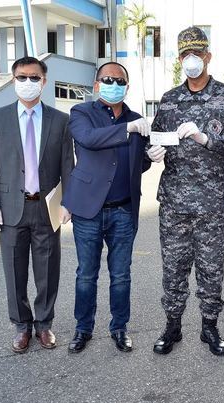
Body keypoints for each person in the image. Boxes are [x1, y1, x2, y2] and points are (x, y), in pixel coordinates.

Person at [148, 26, 224, 356]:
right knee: (174, 267)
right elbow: (155, 138)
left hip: (213, 203)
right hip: (175, 202)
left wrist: (207, 139)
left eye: (196, 53)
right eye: (184, 54)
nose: (191, 59)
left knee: (211, 267)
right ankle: (173, 326)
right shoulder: (169, 100)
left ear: (207, 56)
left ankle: (209, 326)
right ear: (179, 59)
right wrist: (151, 152)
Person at [0, 56, 74, 353]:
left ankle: (44, 325)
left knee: (48, 270)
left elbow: (67, 166)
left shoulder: (60, 120)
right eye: (22, 77)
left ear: (44, 82)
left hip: (46, 207)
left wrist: (66, 202)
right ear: (13, 80)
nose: (28, 83)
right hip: (10, 208)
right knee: (14, 270)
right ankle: (22, 326)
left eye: (35, 78)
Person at [62, 62, 151, 354]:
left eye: (120, 80)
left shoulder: (136, 118)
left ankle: (119, 328)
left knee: (121, 274)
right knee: (86, 274)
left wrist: (151, 155)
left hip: (123, 210)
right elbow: (88, 139)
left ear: (127, 86)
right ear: (97, 83)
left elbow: (138, 162)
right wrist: (126, 129)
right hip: (89, 209)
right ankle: (83, 328)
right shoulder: (81, 113)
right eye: (107, 79)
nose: (114, 83)